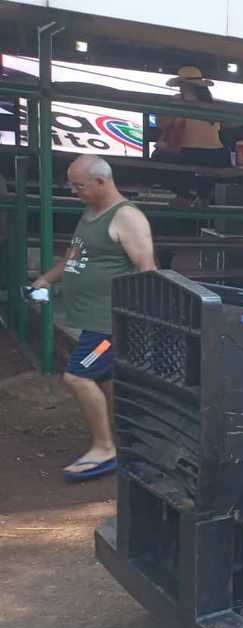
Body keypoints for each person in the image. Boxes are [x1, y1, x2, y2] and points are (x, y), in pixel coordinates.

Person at [30, 155, 155, 480]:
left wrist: (139, 323)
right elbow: (74, 257)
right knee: (106, 379)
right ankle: (127, 441)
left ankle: (104, 449)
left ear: (101, 181)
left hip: (109, 327)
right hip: (95, 322)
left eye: (79, 185)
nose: (74, 191)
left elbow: (147, 272)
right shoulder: (91, 214)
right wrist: (47, 279)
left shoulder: (127, 217)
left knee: (78, 376)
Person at [153, 66, 231, 208]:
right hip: (217, 155)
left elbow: (162, 124)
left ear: (185, 85)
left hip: (191, 154)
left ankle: (187, 195)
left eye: (181, 84)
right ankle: (197, 195)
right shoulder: (214, 103)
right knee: (181, 164)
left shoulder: (178, 102)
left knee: (159, 159)